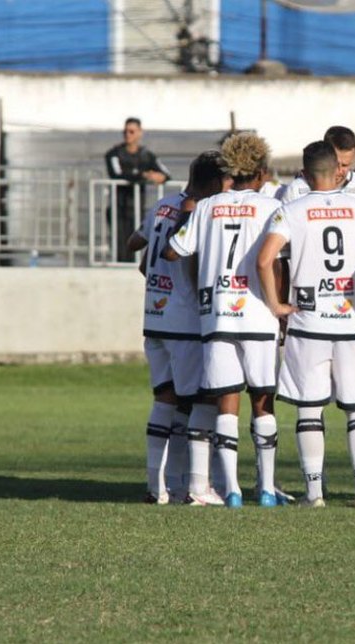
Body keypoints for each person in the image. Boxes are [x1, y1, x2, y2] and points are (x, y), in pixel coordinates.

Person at [256, 140, 355, 508]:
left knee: (309, 409)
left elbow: (264, 259)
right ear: (339, 170)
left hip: (308, 320)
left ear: (303, 174)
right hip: (352, 320)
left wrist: (275, 305)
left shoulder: (292, 209)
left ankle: (315, 493)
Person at [164, 133, 283, 508]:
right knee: (263, 400)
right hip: (259, 313)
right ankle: (265, 488)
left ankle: (231, 489)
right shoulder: (272, 207)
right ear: (261, 171)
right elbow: (277, 261)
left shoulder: (207, 206)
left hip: (217, 314)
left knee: (226, 400)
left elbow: (172, 251)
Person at [125, 151, 228, 505]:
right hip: (185, 320)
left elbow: (135, 249)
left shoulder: (161, 206)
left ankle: (160, 486)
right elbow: (187, 261)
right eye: (226, 181)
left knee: (166, 400)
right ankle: (197, 488)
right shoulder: (197, 211)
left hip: (154, 319)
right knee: (203, 398)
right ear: (215, 183)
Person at [105, 117, 170, 263]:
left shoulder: (146, 155)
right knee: (119, 246)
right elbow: (116, 174)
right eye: (126, 131)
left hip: (136, 208)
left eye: (132, 131)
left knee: (135, 245)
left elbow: (166, 174)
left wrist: (159, 177)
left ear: (140, 133)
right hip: (118, 207)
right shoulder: (115, 154)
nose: (128, 134)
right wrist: (142, 175)